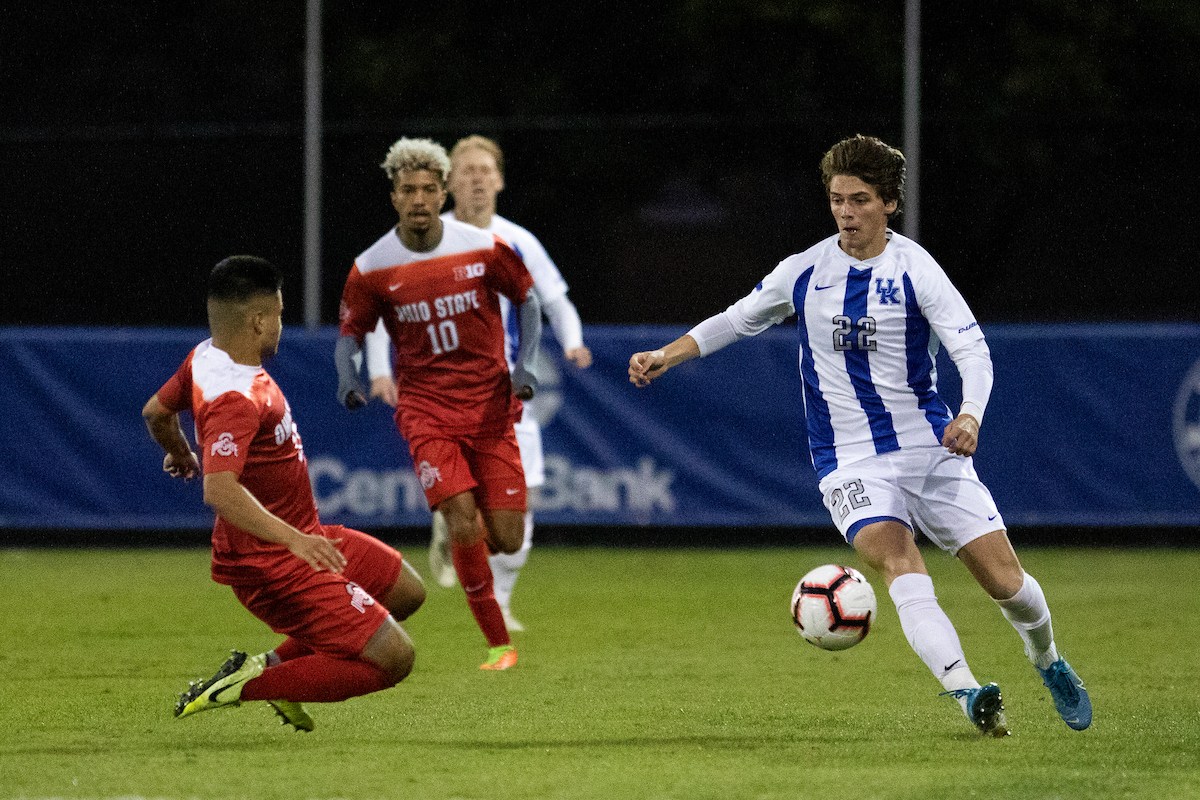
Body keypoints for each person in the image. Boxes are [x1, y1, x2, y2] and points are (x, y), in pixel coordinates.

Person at [628, 134, 1091, 737]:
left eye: (860, 200)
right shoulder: (805, 271)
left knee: (1008, 585)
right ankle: (969, 693)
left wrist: (970, 414)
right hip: (848, 463)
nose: (846, 213)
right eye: (837, 200)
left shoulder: (916, 269)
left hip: (930, 448)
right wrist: (669, 353)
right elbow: (739, 318)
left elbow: (972, 351)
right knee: (897, 560)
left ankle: (1047, 660)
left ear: (889, 204)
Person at [142, 255, 425, 732]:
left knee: (405, 591)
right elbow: (220, 491)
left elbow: (156, 412)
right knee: (394, 658)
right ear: (257, 320)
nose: (280, 326)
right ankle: (243, 687)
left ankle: (274, 668)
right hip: (274, 564)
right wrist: (295, 540)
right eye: (277, 314)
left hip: (300, 539)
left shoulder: (205, 356)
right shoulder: (236, 396)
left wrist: (183, 453)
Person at [364, 134, 592, 632]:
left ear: (500, 180)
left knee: (519, 508)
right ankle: (458, 526)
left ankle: (501, 597)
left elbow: (554, 301)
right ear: (449, 185)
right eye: (466, 171)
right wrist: (379, 370)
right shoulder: (417, 240)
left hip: (505, 393)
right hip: (437, 394)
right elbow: (379, 310)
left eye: (485, 170)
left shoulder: (516, 240)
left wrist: (572, 341)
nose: (476, 179)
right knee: (464, 497)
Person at [335, 137, 542, 670]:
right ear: (395, 197)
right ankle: (500, 644)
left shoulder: (480, 246)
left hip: (491, 408)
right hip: (425, 410)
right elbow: (351, 332)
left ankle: (461, 544)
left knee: (508, 535)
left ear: (442, 190)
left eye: (430, 188)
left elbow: (528, 298)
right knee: (462, 515)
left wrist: (526, 364)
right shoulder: (373, 265)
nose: (421, 198)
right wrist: (347, 375)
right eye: (410, 190)